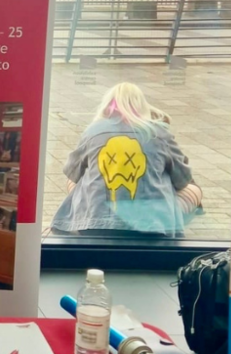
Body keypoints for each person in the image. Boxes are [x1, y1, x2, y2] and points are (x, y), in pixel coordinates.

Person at [52, 82, 203, 238]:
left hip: (94, 226)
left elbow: (71, 172)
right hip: (153, 229)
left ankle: (86, 212)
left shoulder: (93, 130)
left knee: (78, 180)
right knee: (192, 188)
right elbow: (182, 179)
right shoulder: (159, 132)